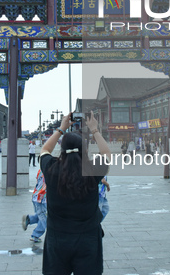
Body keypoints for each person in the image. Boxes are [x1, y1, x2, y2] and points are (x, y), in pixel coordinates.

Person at [39, 112, 110, 275]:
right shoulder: (92, 170)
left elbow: (44, 150)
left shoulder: (51, 169)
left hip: (57, 242)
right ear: (85, 151)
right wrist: (95, 130)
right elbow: (106, 155)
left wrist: (62, 128)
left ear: (62, 150)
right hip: (88, 241)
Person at [22, 169, 47, 242]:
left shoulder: (41, 170)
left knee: (42, 215)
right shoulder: (48, 171)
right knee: (44, 218)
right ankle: (35, 235)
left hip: (37, 197)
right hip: (42, 198)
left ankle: (29, 219)